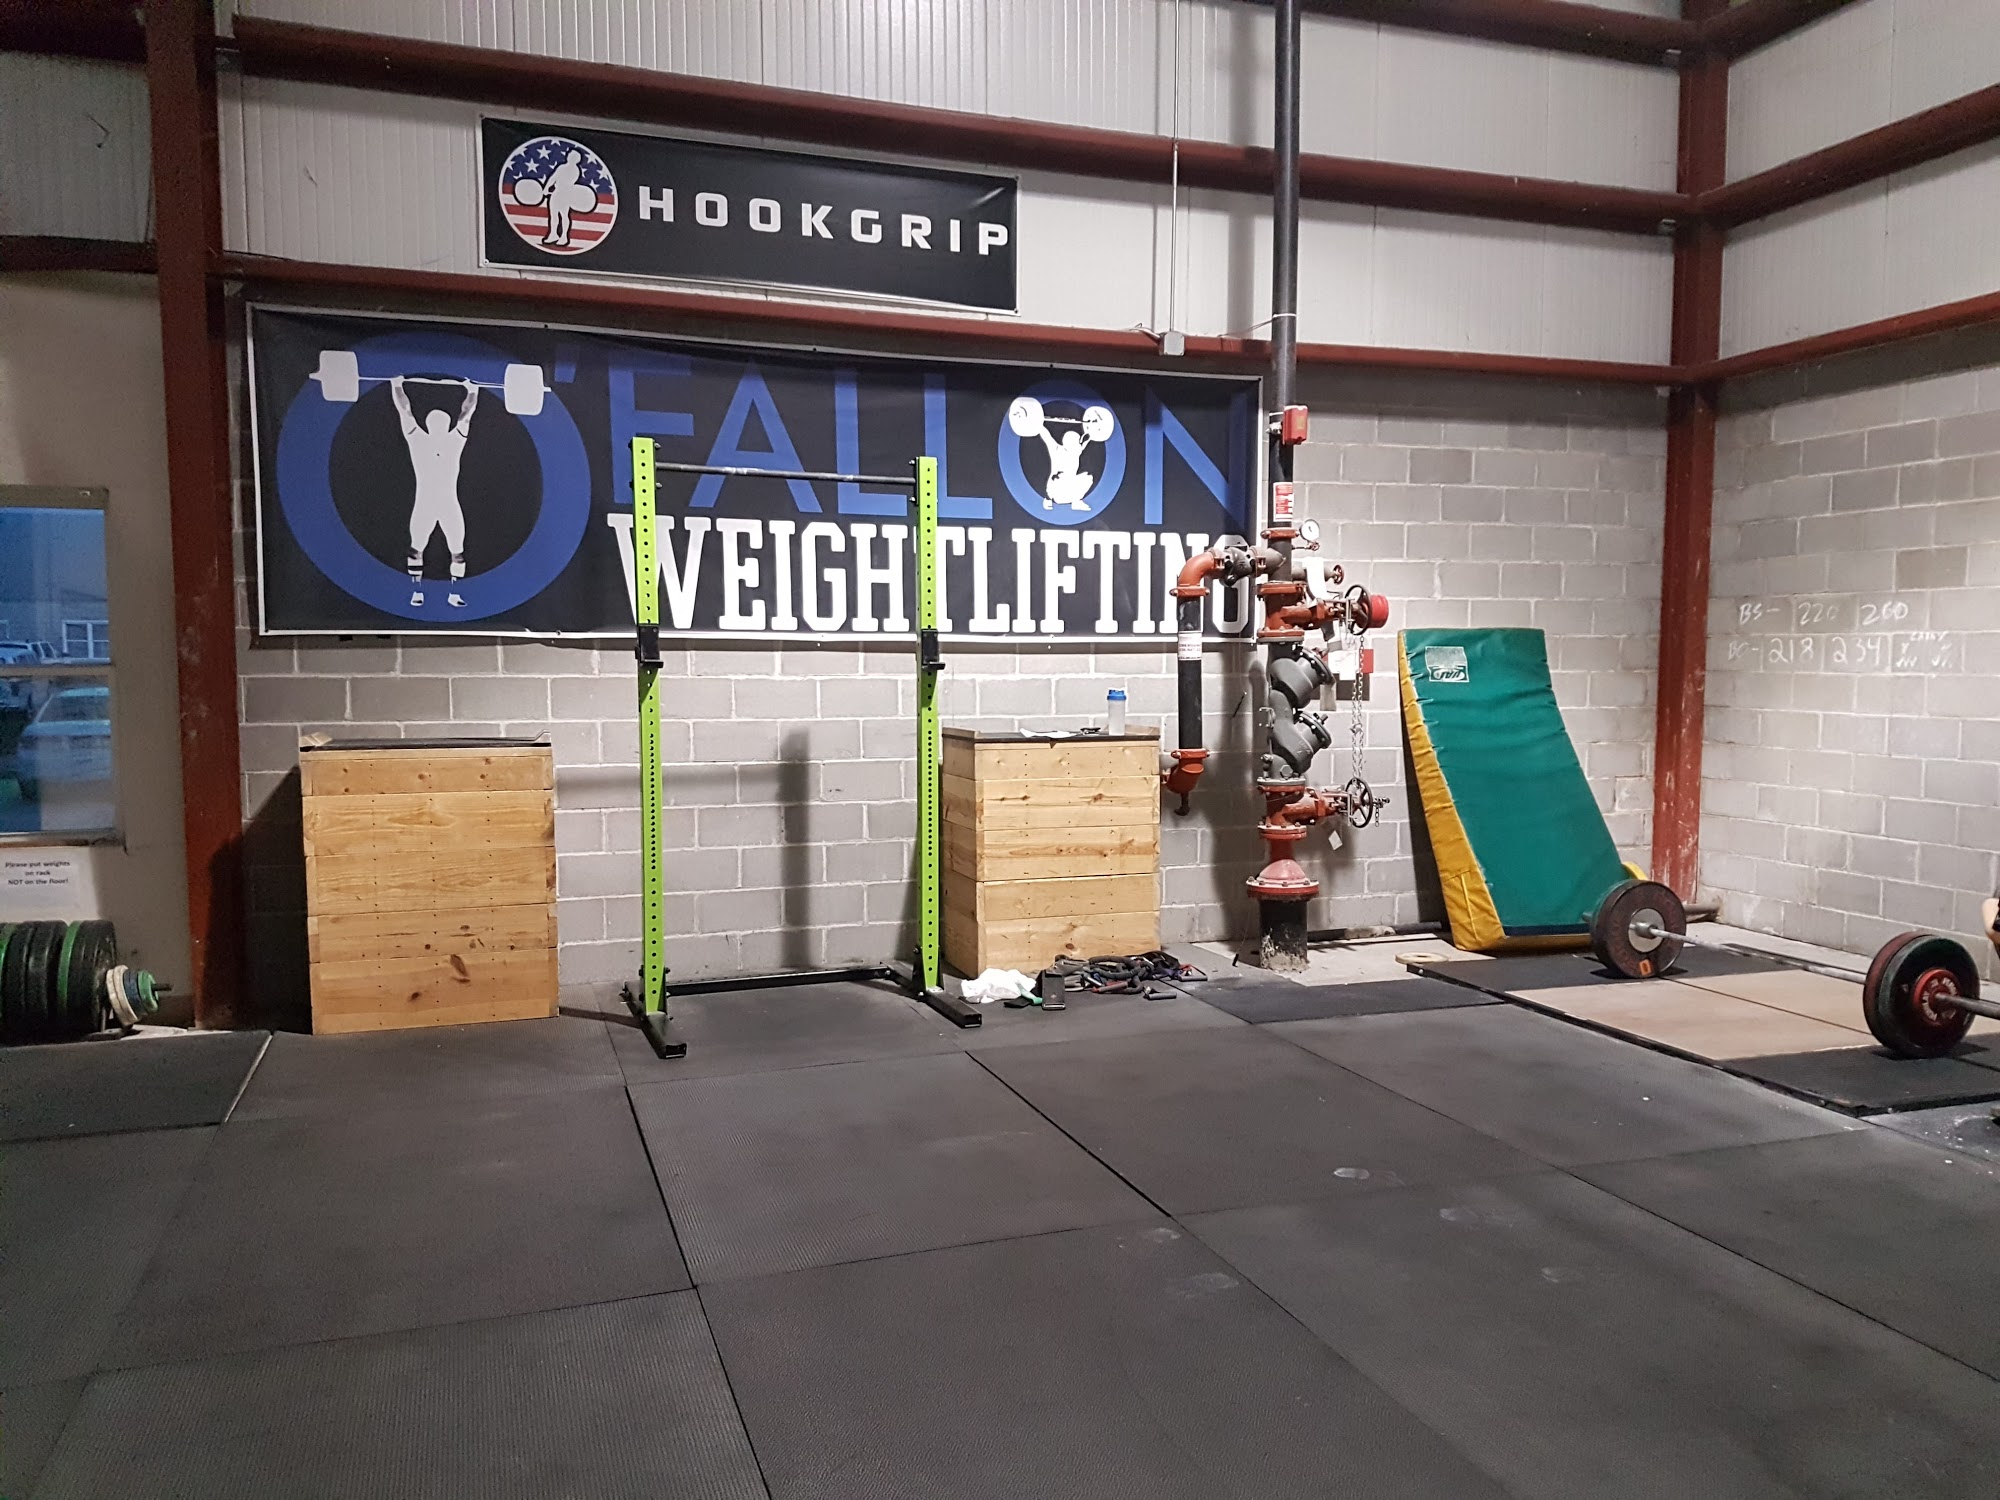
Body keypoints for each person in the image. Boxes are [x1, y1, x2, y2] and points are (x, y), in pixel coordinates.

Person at [390, 376, 478, 608]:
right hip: (425, 505)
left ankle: (455, 594)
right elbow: (405, 411)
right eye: (436, 421)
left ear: (447, 425)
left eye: (442, 421)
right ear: (429, 424)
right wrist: (396, 385)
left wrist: (473, 390)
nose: (439, 424)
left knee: (457, 553)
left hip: (449, 505)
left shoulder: (454, 440)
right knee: (416, 549)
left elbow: (466, 413)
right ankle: (416, 592)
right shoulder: (418, 439)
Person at [1039, 425, 1096, 511]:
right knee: (1061, 477)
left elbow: (1085, 441)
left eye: (1078, 442)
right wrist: (1039, 425)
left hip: (1068, 493)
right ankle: (1048, 499)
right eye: (1076, 442)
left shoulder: (1076, 452)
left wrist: (1092, 432)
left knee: (1088, 477)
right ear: (1068, 442)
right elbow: (1047, 437)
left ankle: (1076, 503)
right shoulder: (1057, 450)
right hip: (1056, 493)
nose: (1078, 444)